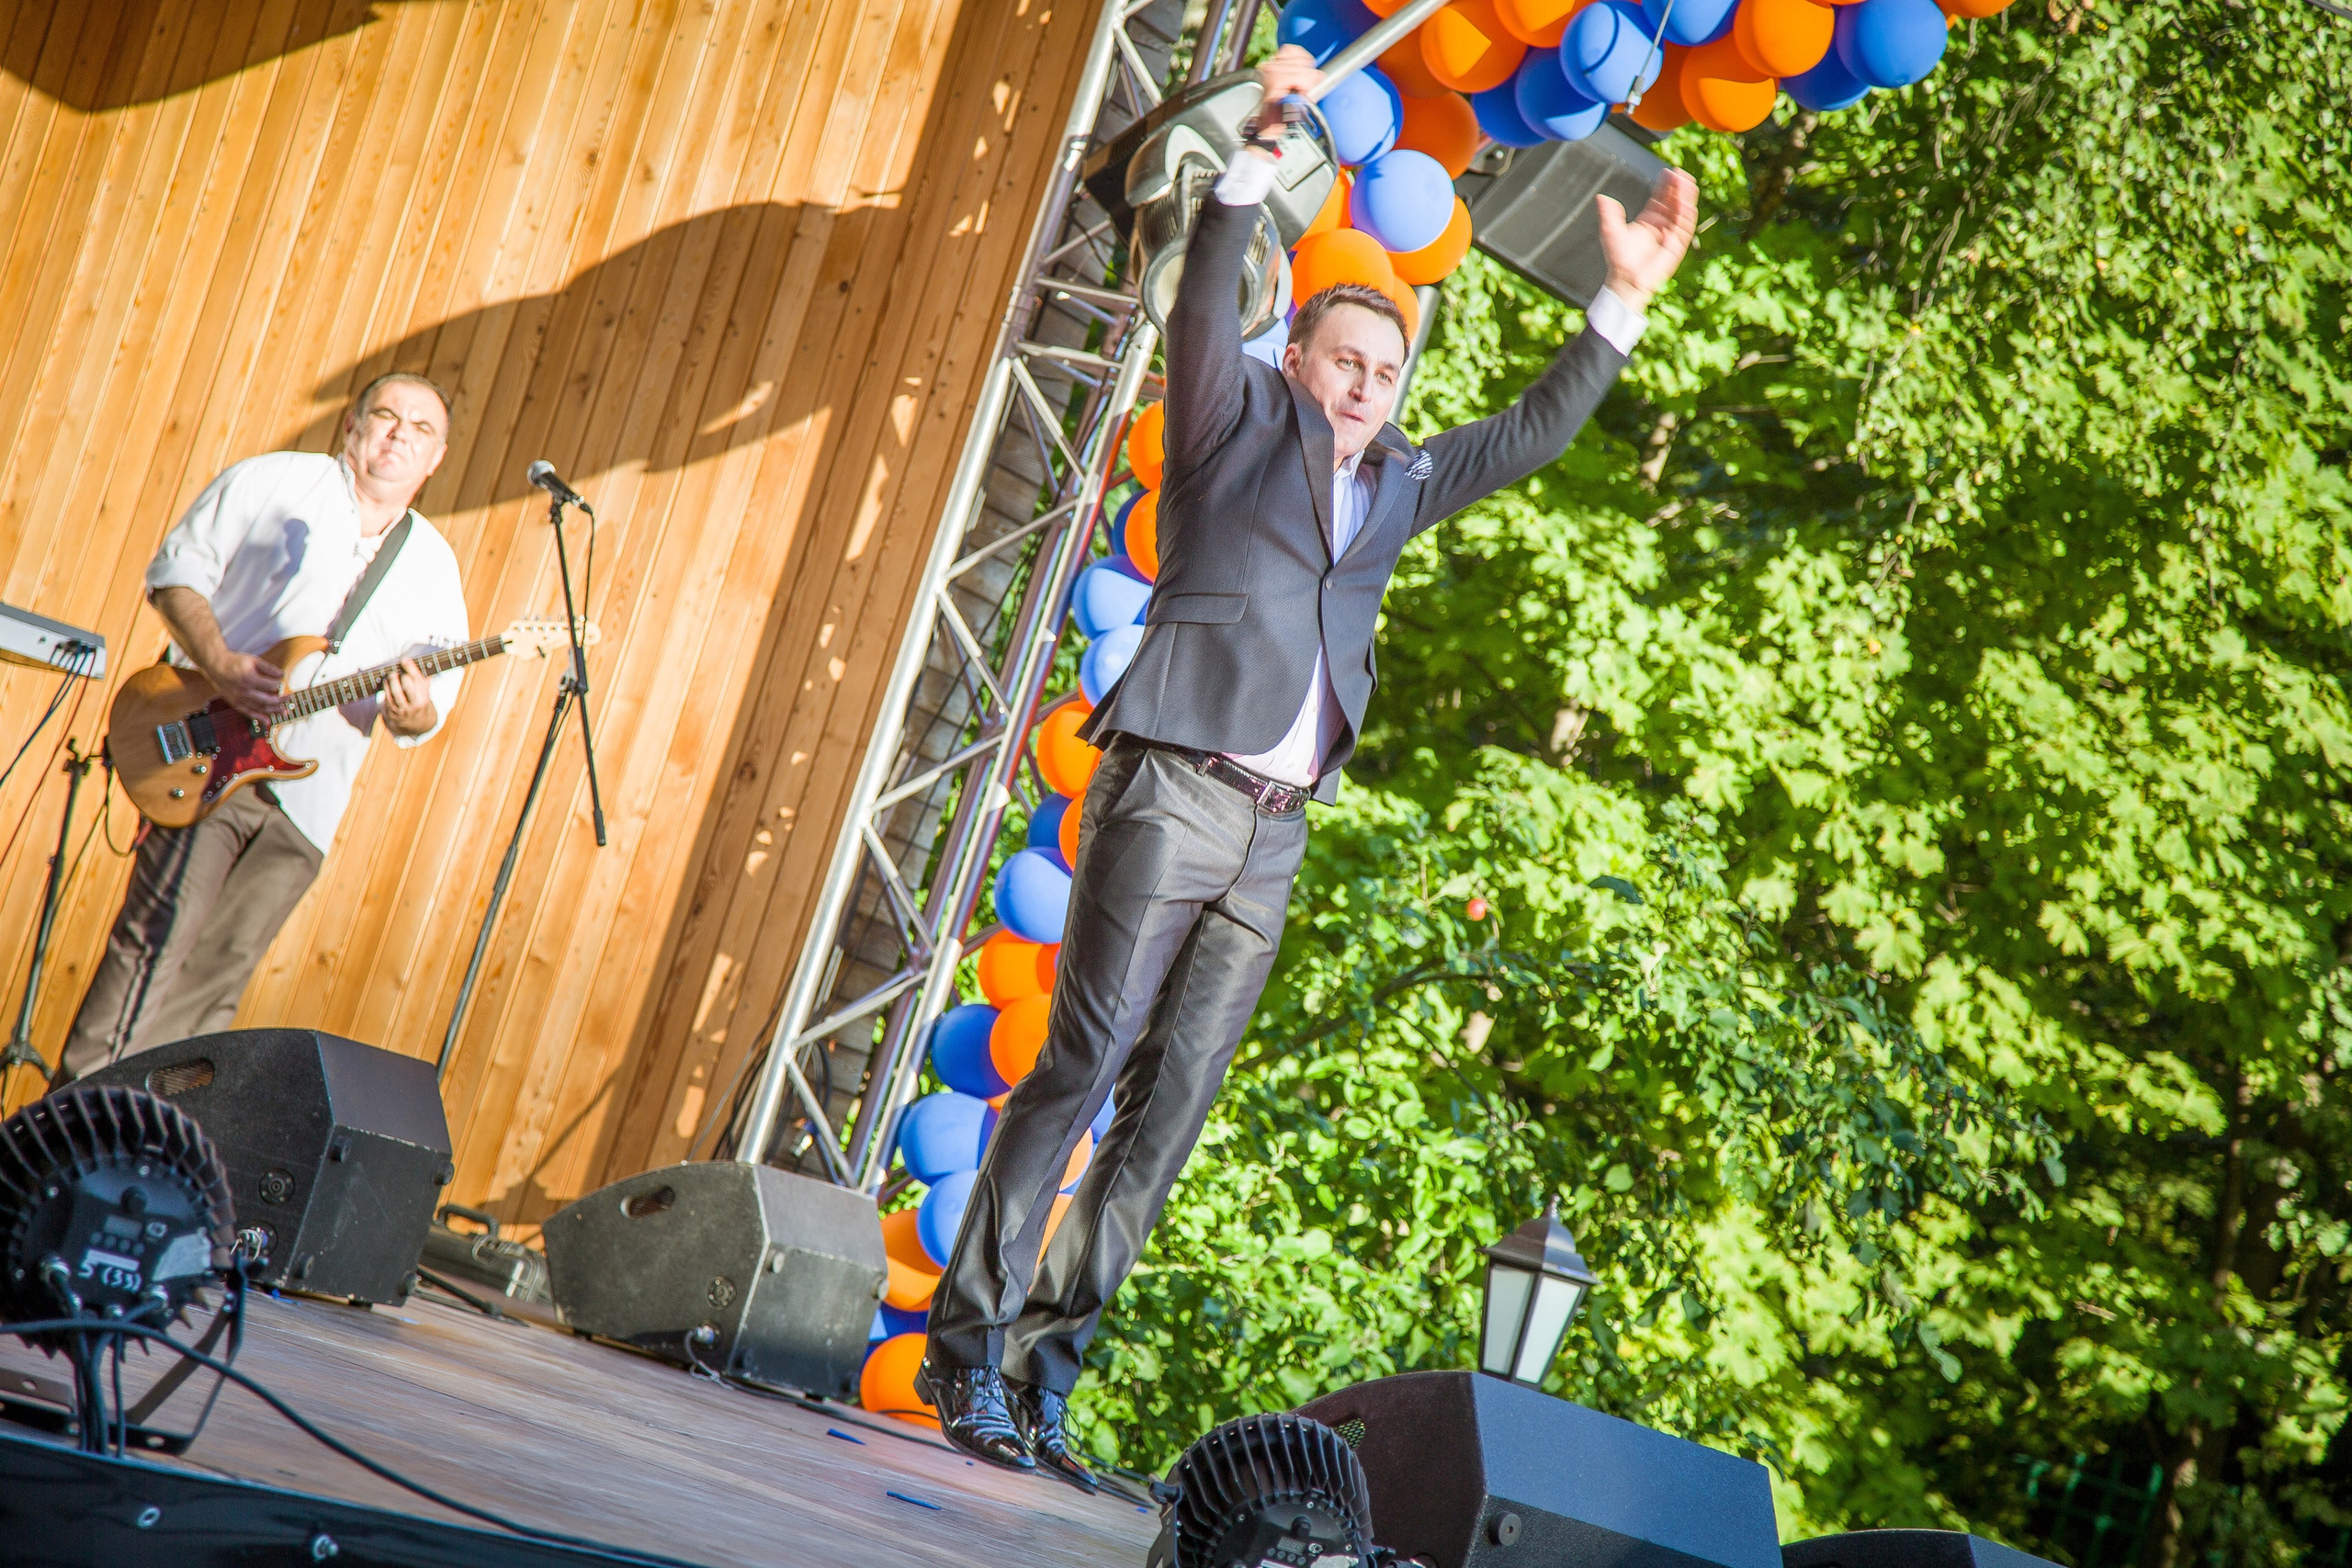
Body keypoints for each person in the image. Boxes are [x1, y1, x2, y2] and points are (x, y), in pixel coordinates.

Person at [918, 45, 1697, 1484]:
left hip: (1275, 830)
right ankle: (964, 1356)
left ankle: (1042, 1377)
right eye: (1347, 359)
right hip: (1170, 790)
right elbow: (1206, 305)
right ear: (1302, 361)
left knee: (1168, 1118)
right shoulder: (1236, 421)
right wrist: (1258, 167)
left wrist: (1621, 302)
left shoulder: (1398, 481)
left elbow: (1528, 434)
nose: (1365, 385)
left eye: (1386, 370)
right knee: (1080, 1065)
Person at [52, 373, 470, 1085]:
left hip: (307, 805)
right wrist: (218, 663)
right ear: (351, 426)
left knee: (219, 981)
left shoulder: (433, 565)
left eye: (421, 429)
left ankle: (155, 1142)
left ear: (436, 459)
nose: (400, 434)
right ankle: (69, 1122)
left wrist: (412, 710)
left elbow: (430, 706)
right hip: (207, 758)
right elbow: (175, 572)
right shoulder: (274, 482)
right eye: (386, 417)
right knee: (155, 944)